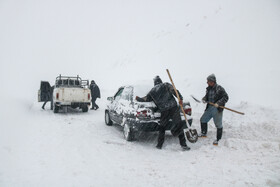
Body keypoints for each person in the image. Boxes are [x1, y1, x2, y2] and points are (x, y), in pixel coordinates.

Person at [135, 76, 190, 150]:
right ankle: (183, 145)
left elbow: (146, 99)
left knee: (162, 127)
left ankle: (159, 145)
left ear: (154, 83)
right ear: (160, 81)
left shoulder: (152, 91)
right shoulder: (166, 85)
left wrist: (138, 98)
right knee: (178, 125)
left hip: (164, 110)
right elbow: (174, 91)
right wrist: (180, 98)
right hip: (173, 108)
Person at [199, 74, 229, 145]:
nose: (207, 83)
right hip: (209, 107)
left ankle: (218, 139)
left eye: (208, 81)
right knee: (203, 119)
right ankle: (203, 133)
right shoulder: (208, 88)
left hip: (217, 108)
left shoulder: (219, 88)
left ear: (212, 81)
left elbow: (226, 97)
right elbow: (207, 96)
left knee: (218, 124)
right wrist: (204, 99)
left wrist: (218, 103)